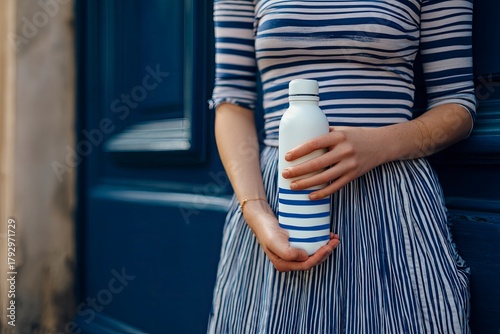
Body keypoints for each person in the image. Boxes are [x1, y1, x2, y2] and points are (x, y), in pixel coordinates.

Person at [208, 0, 476, 333]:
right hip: (279, 205)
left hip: (390, 201)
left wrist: (378, 145)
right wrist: (257, 212)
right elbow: (232, 101)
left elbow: (458, 105)